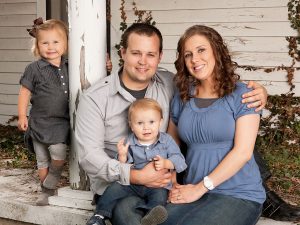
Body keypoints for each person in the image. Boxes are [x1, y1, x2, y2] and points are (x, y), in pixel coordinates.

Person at [75, 23, 267, 225]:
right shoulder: (97, 98)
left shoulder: (173, 85)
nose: (143, 61)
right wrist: (144, 177)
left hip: (225, 191)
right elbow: (90, 156)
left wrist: (261, 90)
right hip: (127, 185)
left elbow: (242, 150)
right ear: (123, 53)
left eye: (150, 54)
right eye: (188, 54)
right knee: (129, 213)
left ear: (159, 56)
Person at [86, 98, 187, 225]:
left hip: (158, 185)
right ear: (131, 125)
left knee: (160, 198)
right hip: (133, 184)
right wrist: (122, 156)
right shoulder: (129, 142)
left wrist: (167, 163)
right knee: (114, 189)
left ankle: (150, 216)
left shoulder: (166, 141)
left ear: (160, 122)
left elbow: (179, 159)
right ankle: (99, 216)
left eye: (151, 122)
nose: (146, 127)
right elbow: (123, 168)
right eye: (140, 123)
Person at [18, 18, 69, 206]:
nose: (50, 47)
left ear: (65, 43)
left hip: (60, 122)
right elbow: (24, 92)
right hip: (39, 122)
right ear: (37, 46)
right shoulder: (34, 69)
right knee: (42, 159)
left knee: (58, 151)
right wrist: (23, 116)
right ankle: (46, 191)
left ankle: (53, 177)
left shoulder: (69, 67)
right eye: (44, 42)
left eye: (56, 42)